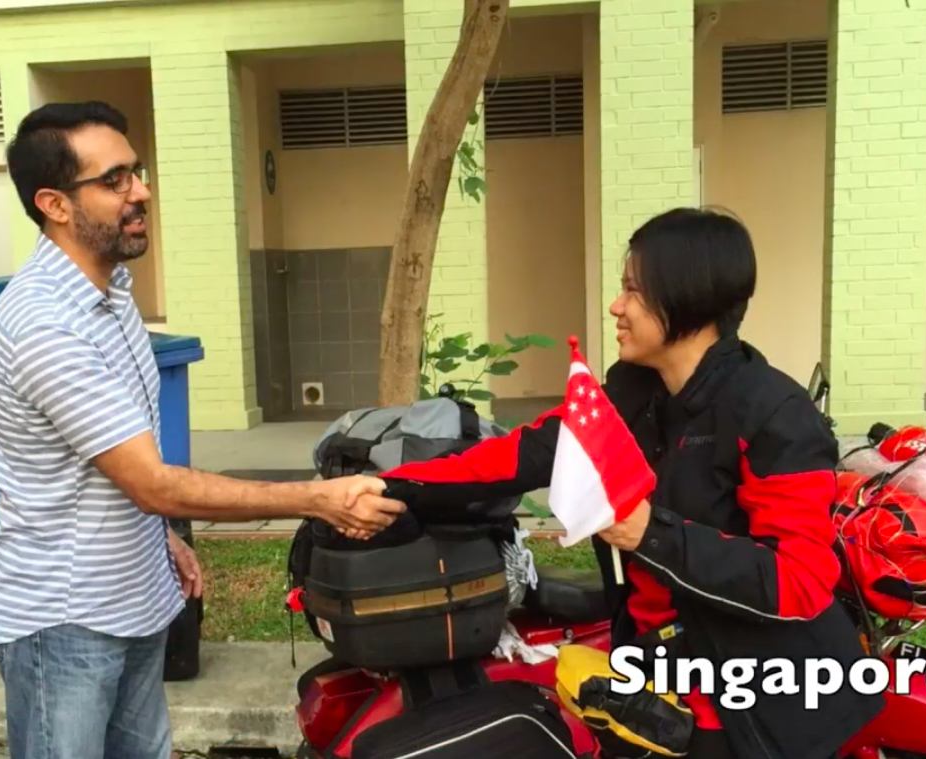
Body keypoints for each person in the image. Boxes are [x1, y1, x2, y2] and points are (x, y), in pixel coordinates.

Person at [0, 101, 405, 759]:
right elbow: (151, 482)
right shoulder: (44, 322)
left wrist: (159, 540)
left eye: (137, 172)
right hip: (63, 622)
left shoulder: (110, 289)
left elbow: (119, 460)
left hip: (133, 599)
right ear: (54, 204)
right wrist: (315, 498)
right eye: (114, 179)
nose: (140, 190)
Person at [373, 207, 883, 759]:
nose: (617, 307)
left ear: (688, 294)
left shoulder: (773, 412)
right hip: (654, 672)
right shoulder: (634, 392)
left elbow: (800, 581)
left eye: (634, 291)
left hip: (751, 704)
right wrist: (390, 486)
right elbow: (531, 452)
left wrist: (649, 533)